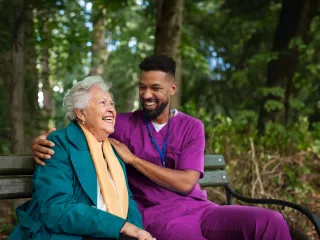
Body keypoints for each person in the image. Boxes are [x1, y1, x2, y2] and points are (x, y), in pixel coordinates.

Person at [32, 55, 292, 240]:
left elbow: (185, 183)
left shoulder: (192, 127)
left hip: (202, 210)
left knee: (271, 222)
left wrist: (133, 160)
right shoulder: (122, 122)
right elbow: (83, 126)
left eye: (156, 88)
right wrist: (42, 139)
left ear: (172, 89)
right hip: (158, 218)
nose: (147, 94)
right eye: (142, 87)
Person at [10, 76, 154, 240]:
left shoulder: (113, 150)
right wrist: (122, 226)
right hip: (72, 234)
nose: (111, 110)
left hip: (110, 232)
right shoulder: (59, 145)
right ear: (80, 113)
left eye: (112, 104)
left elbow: (127, 200)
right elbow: (56, 209)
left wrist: (138, 231)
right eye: (102, 103)